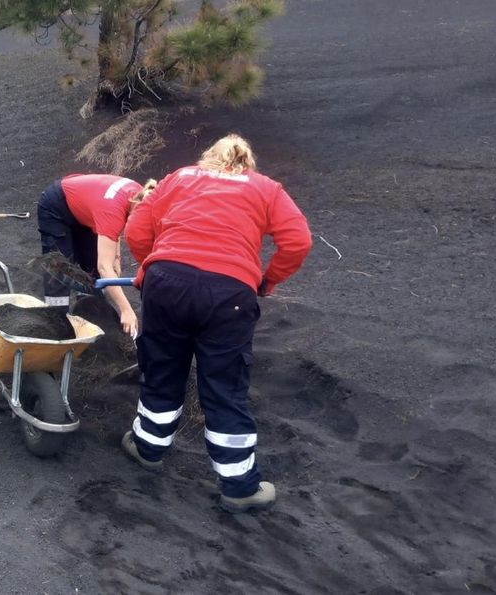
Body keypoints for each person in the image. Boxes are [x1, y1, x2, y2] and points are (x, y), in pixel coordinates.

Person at [122, 134, 312, 513]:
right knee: (224, 385)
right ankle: (239, 487)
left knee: (162, 366)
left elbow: (137, 231)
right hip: (229, 295)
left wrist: (153, 265)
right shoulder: (266, 190)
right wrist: (266, 280)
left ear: (208, 158)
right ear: (247, 163)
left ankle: (148, 449)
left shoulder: (179, 178)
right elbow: (298, 242)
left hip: (166, 283)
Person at [36, 173, 149, 335]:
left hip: (86, 209)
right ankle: (56, 320)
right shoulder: (112, 210)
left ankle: (89, 311)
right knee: (59, 266)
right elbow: (105, 267)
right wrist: (126, 310)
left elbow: (116, 224)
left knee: (90, 265)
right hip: (56, 205)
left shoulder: (139, 194)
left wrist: (116, 257)